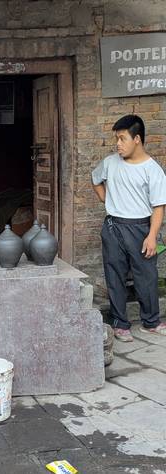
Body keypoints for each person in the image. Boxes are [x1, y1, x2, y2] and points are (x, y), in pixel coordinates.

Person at [92, 114, 166, 342]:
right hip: (114, 227)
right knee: (115, 275)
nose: (118, 144)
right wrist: (109, 202)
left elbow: (158, 207)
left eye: (122, 138)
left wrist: (152, 236)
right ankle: (120, 324)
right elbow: (95, 180)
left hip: (141, 228)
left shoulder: (153, 170)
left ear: (137, 139)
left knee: (147, 276)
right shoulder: (110, 162)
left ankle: (151, 321)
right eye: (116, 139)